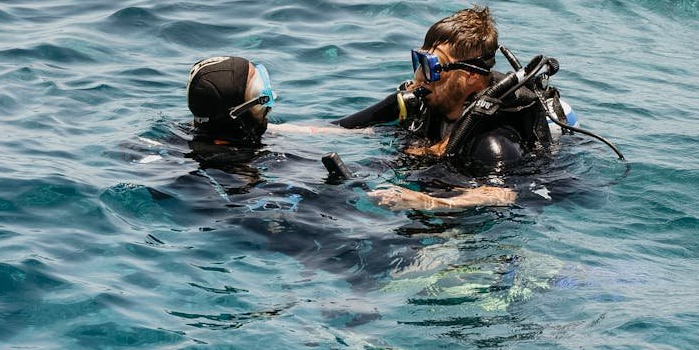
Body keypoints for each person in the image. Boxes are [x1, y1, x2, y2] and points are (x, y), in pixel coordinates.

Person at [186, 45, 518, 211]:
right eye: (261, 95)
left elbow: (506, 193)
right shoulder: (231, 168)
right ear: (236, 112)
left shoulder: (205, 140)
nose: (270, 102)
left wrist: (424, 201)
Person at [335, 5, 568, 210]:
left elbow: (503, 194)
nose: (419, 76)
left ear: (470, 76)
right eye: (419, 61)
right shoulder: (423, 106)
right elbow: (336, 129)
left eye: (432, 67)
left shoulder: (493, 143)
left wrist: (425, 202)